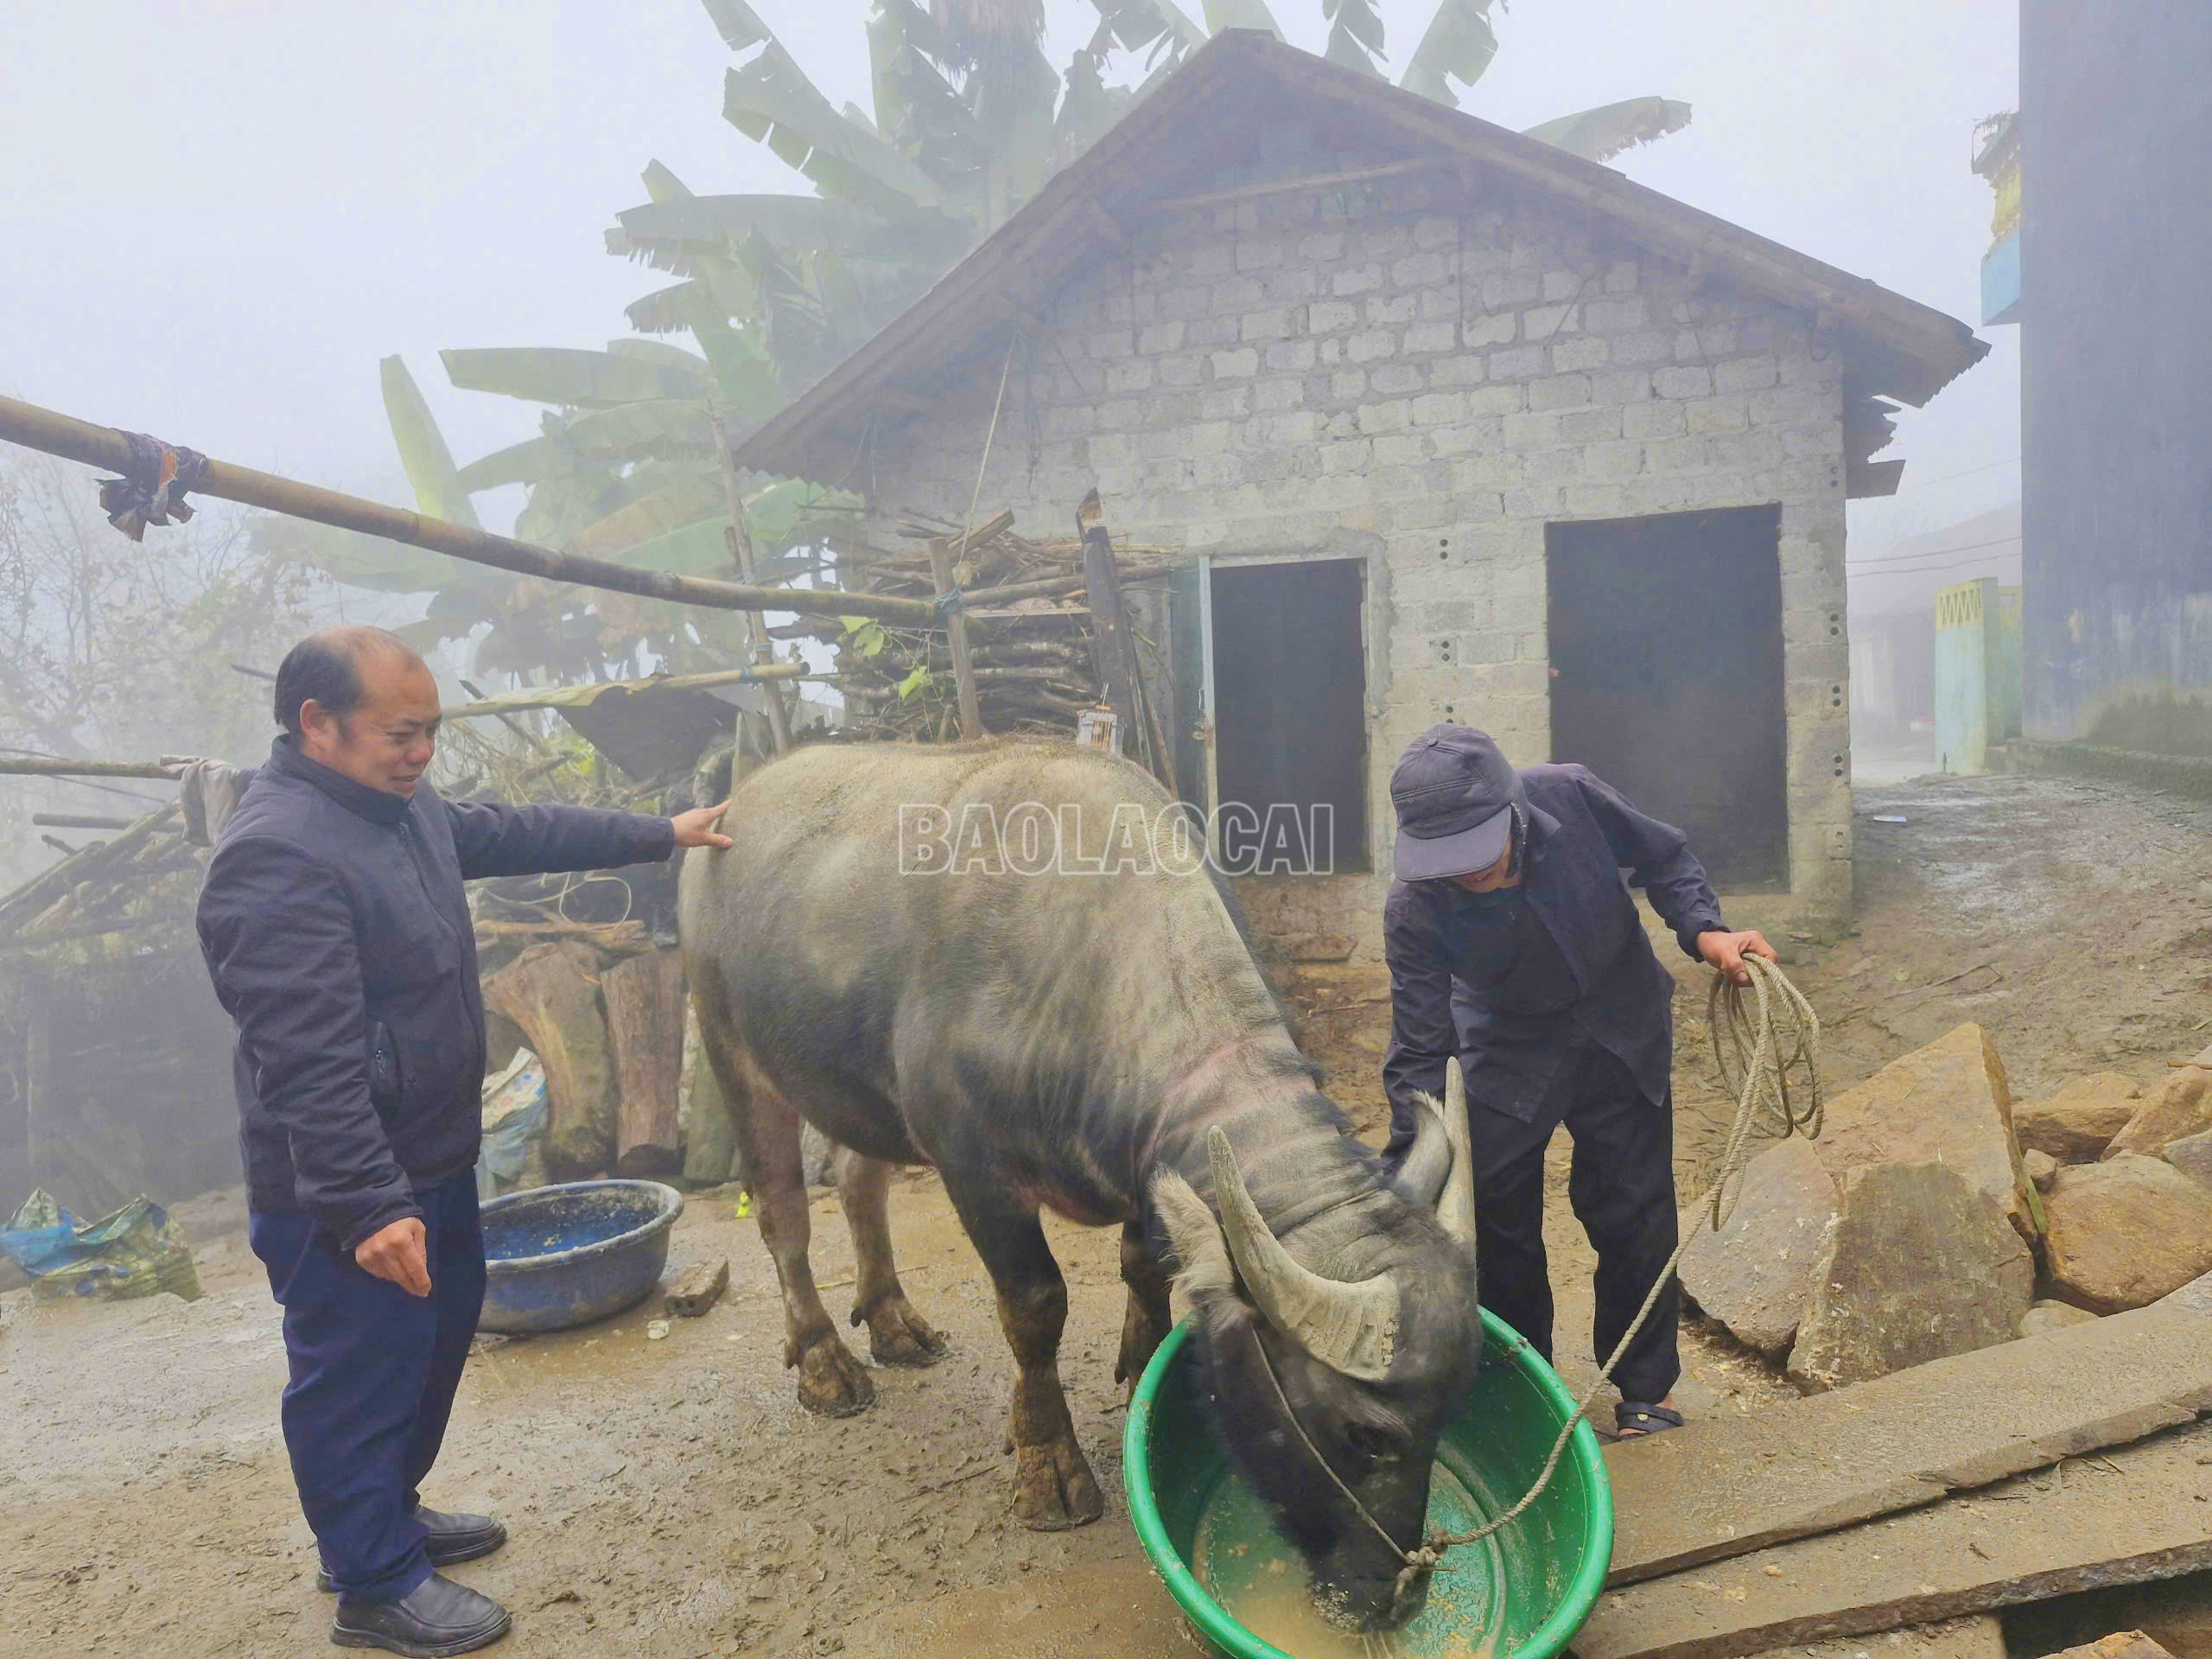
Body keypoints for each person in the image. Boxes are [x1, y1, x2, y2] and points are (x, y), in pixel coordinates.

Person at [196, 627, 735, 1656]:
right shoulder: (275, 855)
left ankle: (382, 1520)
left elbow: (513, 830)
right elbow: (304, 1058)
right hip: (342, 1190)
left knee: (428, 1355)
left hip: (427, 1157)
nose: (422, 753)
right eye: (402, 733)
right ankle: (371, 1585)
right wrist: (365, 1205)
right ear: (317, 723)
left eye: (432, 733)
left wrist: (657, 832)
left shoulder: (398, 809)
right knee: (357, 1372)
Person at [1380, 725, 1773, 1440]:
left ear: (1514, 813)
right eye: (1447, 860)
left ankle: (1646, 1386)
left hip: (1619, 1020)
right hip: (1505, 1046)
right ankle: (1526, 1385)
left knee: (1633, 1207)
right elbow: (1418, 1045)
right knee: (1497, 1222)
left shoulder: (1571, 793)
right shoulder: (1415, 907)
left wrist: (1704, 931)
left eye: (1477, 849)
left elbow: (1666, 855)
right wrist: (1414, 1156)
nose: (1466, 873)